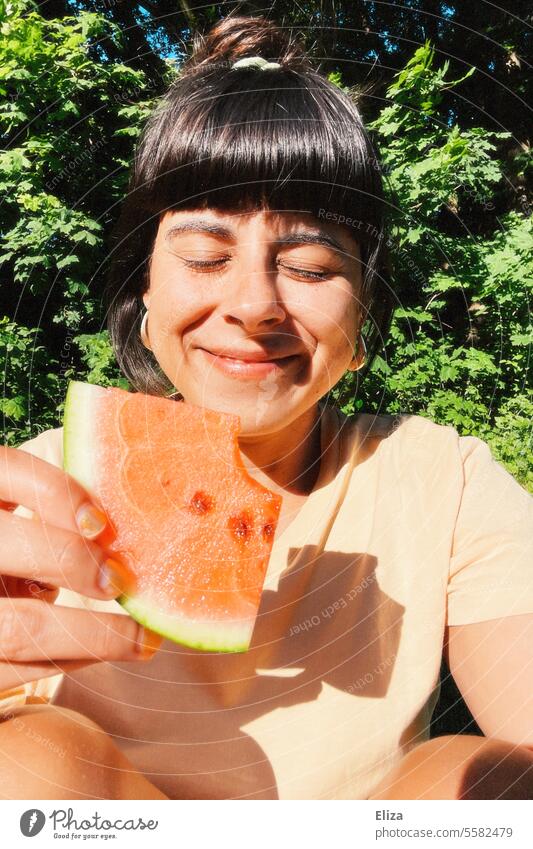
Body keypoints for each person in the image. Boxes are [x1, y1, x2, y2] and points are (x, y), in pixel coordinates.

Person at [0, 15, 532, 801]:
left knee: (472, 775)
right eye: (204, 255)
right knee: (31, 755)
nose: (253, 303)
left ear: (359, 320)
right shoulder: (38, 494)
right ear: (146, 287)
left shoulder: (439, 481)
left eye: (311, 265)